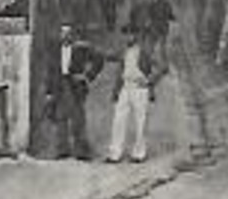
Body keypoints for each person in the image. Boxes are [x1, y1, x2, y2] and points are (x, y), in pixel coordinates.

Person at [107, 25, 163, 163]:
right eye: (125, 34)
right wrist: (116, 90)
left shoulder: (145, 51)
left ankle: (139, 153)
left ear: (136, 36)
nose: (128, 37)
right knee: (118, 120)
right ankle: (115, 153)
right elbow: (113, 61)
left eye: (131, 34)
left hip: (140, 88)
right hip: (125, 87)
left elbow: (162, 66)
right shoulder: (123, 51)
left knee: (140, 121)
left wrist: (150, 81)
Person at [56, 23, 105, 160]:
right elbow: (50, 69)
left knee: (78, 117)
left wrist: (88, 76)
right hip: (60, 83)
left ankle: (82, 151)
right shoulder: (54, 50)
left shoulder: (81, 48)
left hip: (75, 83)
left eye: (68, 32)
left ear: (72, 34)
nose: (65, 36)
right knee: (60, 115)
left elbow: (99, 59)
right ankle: (62, 149)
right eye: (62, 32)